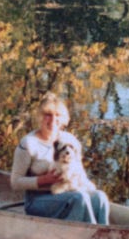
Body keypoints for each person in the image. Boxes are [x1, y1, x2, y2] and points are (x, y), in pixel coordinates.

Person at [10, 92, 110, 224]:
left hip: (68, 191)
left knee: (100, 197)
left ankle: (104, 231)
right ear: (40, 117)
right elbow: (15, 182)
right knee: (79, 198)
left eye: (57, 115)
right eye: (48, 114)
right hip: (37, 200)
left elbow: (80, 173)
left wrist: (90, 190)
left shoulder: (70, 140)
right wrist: (44, 180)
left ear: (63, 118)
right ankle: (90, 233)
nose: (53, 120)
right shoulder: (28, 143)